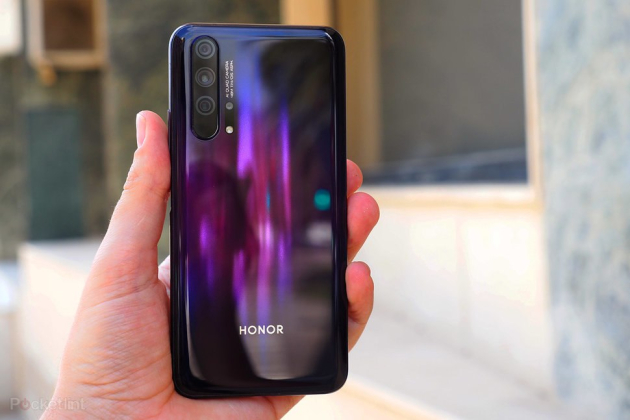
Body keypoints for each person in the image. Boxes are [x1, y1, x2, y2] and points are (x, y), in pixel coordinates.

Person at [42, 111, 380, 419]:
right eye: (208, 221)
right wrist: (99, 408)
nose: (218, 235)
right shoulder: (203, 319)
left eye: (228, 222)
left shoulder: (229, 320)